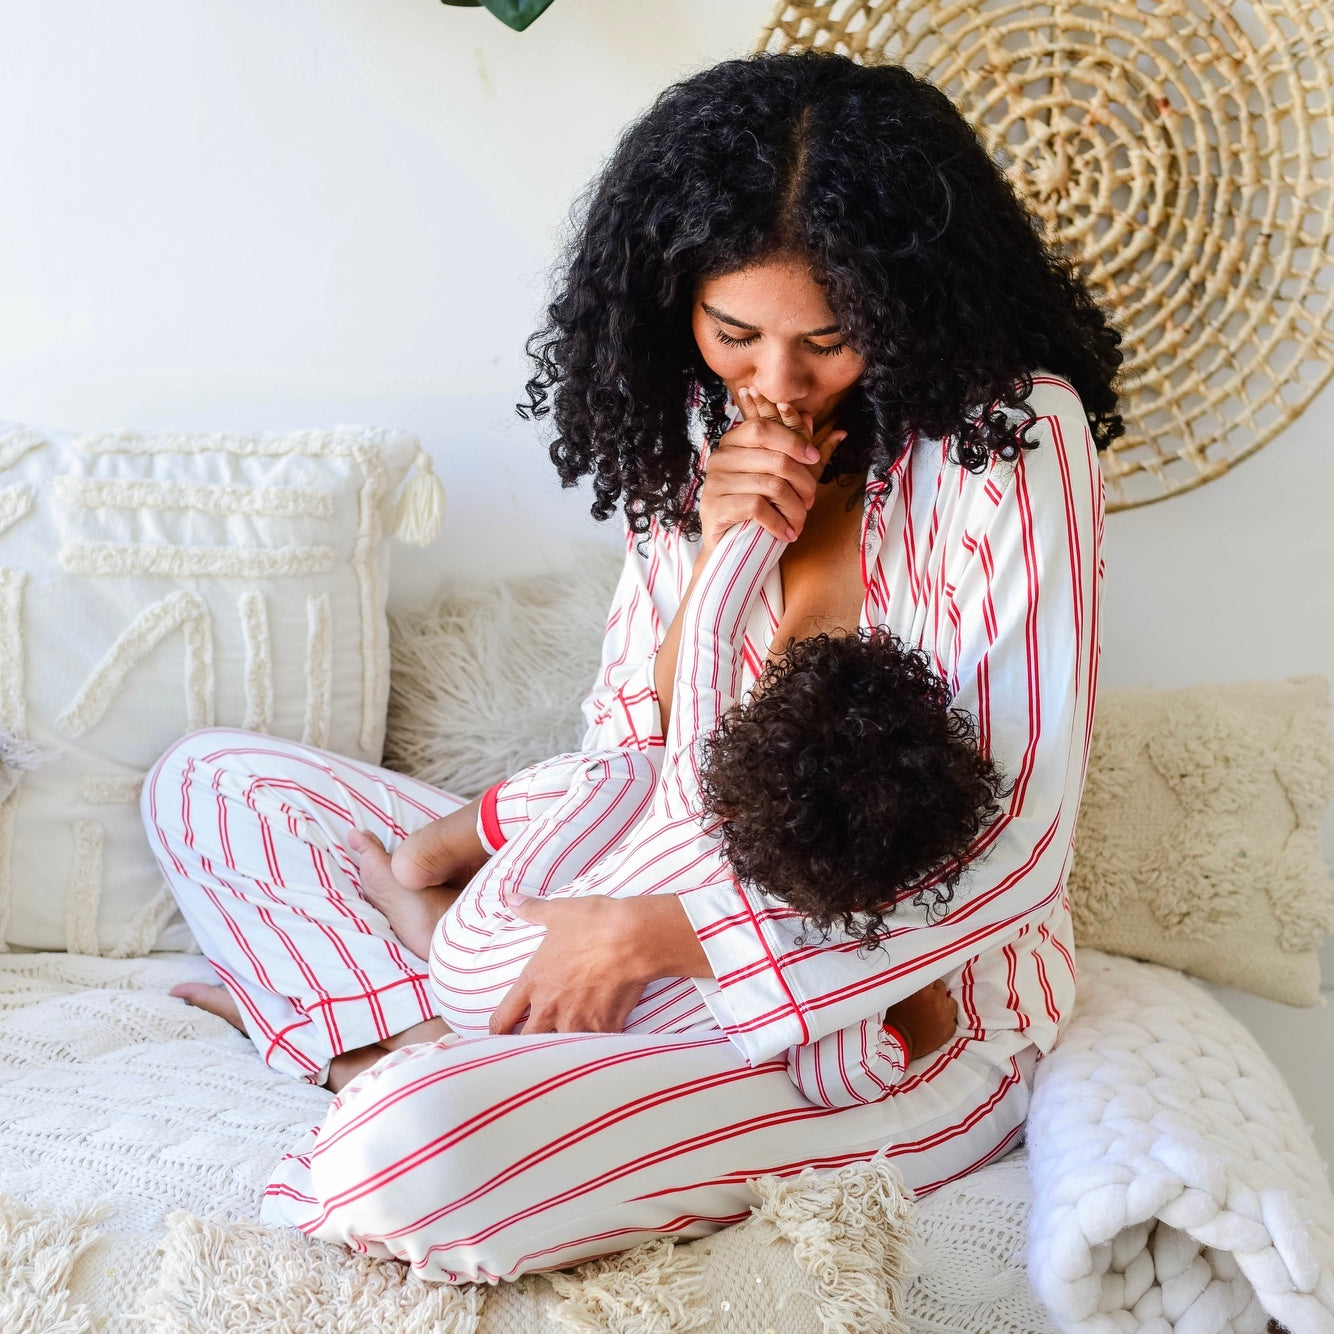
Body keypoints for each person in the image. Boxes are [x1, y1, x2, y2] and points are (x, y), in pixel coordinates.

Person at [142, 50, 1118, 1282]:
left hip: (894, 998)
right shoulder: (691, 449)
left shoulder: (1012, 443)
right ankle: (414, 1038)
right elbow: (629, 755)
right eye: (734, 334)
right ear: (674, 305)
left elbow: (1014, 843)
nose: (776, 383)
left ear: (909, 301)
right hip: (642, 864)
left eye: (831, 338)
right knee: (214, 785)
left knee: (411, 1154)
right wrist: (720, 551)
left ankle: (412, 1063)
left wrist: (663, 935)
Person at [358, 568, 1007, 1081]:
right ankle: (435, 1008)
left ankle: (424, 865)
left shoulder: (694, 783)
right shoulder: (811, 947)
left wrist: (737, 531)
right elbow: (837, 1076)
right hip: (551, 1058)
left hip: (474, 960)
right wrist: (912, 1028)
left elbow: (708, 636)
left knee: (624, 770)